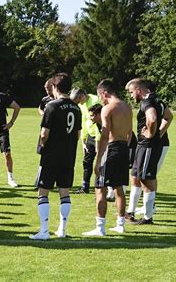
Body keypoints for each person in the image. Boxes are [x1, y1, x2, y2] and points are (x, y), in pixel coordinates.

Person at [30, 73, 81, 240]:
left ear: (54, 87)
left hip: (51, 155)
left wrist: (42, 146)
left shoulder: (51, 106)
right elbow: (78, 134)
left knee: (43, 192)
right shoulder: (76, 108)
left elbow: (44, 134)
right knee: (64, 193)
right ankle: (62, 229)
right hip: (69, 156)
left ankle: (44, 231)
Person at [82, 80, 132, 236]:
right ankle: (120, 224)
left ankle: (100, 227)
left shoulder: (107, 109)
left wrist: (98, 161)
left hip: (110, 149)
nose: (100, 100)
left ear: (104, 93)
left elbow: (104, 136)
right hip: (124, 148)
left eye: (99, 96)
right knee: (119, 189)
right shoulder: (127, 107)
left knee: (100, 189)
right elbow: (129, 132)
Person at [126, 80, 173, 218]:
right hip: (143, 146)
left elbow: (152, 119)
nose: (131, 96)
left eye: (131, 92)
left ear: (138, 90)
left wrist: (151, 134)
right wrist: (159, 132)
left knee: (146, 179)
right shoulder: (157, 100)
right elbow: (169, 116)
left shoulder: (147, 102)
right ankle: (130, 212)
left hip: (148, 146)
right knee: (135, 176)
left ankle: (148, 216)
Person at [70, 88, 101, 194]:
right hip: (89, 137)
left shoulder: (95, 101)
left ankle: (103, 187)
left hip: (100, 136)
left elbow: (99, 122)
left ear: (82, 96)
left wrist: (98, 140)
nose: (78, 103)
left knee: (101, 162)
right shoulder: (81, 105)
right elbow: (83, 122)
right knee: (87, 162)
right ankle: (85, 186)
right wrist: (83, 142)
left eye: (78, 100)